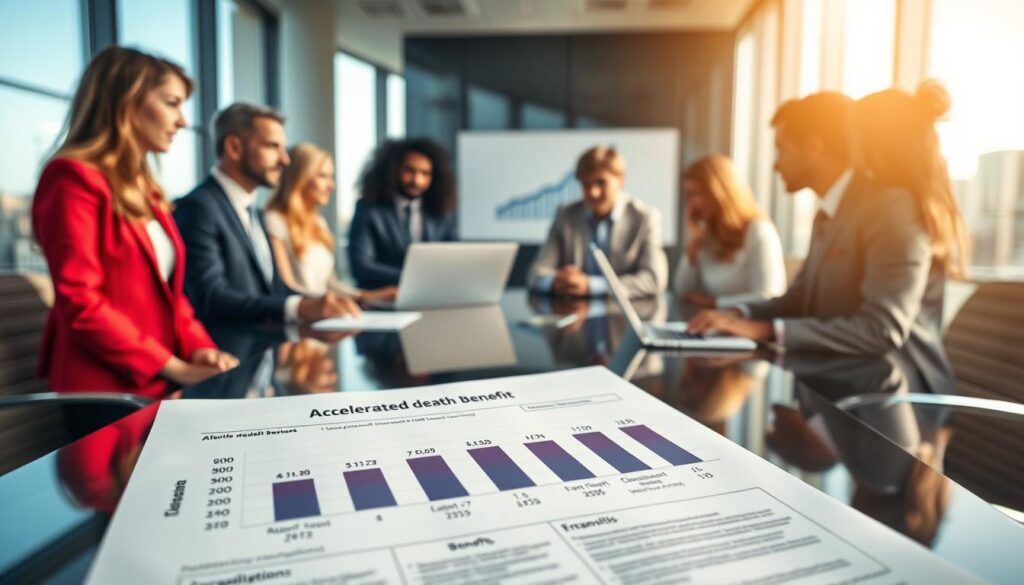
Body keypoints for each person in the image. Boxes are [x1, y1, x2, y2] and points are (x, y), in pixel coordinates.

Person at [688, 87, 967, 383]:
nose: (849, 149)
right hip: (844, 378)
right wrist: (738, 315)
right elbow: (801, 299)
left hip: (898, 390)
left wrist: (765, 329)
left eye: (852, 137)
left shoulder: (894, 209)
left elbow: (881, 328)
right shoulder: (831, 213)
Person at [32, 47, 237, 397]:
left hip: (157, 380)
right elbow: (81, 301)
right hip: (103, 390)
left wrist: (199, 347)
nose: (183, 121)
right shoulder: (71, 178)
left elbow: (169, 294)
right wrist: (175, 367)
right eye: (172, 103)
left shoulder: (146, 191)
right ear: (126, 103)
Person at [174, 104, 360, 324]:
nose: (285, 160)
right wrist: (299, 308)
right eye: (273, 147)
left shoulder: (256, 214)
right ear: (234, 147)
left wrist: (329, 304)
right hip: (224, 353)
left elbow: (275, 289)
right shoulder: (199, 208)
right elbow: (211, 297)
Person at [528, 146, 668, 298]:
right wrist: (556, 281)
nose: (593, 192)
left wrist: (591, 286)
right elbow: (536, 273)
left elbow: (654, 280)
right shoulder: (566, 215)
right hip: (574, 315)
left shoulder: (645, 218)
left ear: (621, 180)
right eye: (586, 185)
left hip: (623, 317)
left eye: (601, 183)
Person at [264, 143, 395, 301]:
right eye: (322, 176)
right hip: (300, 317)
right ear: (300, 178)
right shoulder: (273, 221)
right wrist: (329, 303)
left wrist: (369, 296)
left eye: (330, 177)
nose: (331, 185)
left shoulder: (319, 223)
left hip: (325, 316)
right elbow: (286, 288)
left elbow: (331, 285)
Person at [673, 154, 786, 309]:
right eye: (689, 195)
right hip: (713, 324)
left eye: (699, 193)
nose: (694, 202)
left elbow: (769, 296)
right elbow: (683, 292)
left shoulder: (758, 231)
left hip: (748, 327)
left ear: (722, 191)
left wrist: (716, 302)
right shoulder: (707, 236)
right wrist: (694, 242)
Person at [348, 138, 458, 289]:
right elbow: (361, 267)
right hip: (382, 300)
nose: (417, 180)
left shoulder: (440, 212)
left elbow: (456, 257)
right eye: (409, 170)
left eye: (425, 173)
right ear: (393, 170)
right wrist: (415, 278)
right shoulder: (368, 210)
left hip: (433, 296)